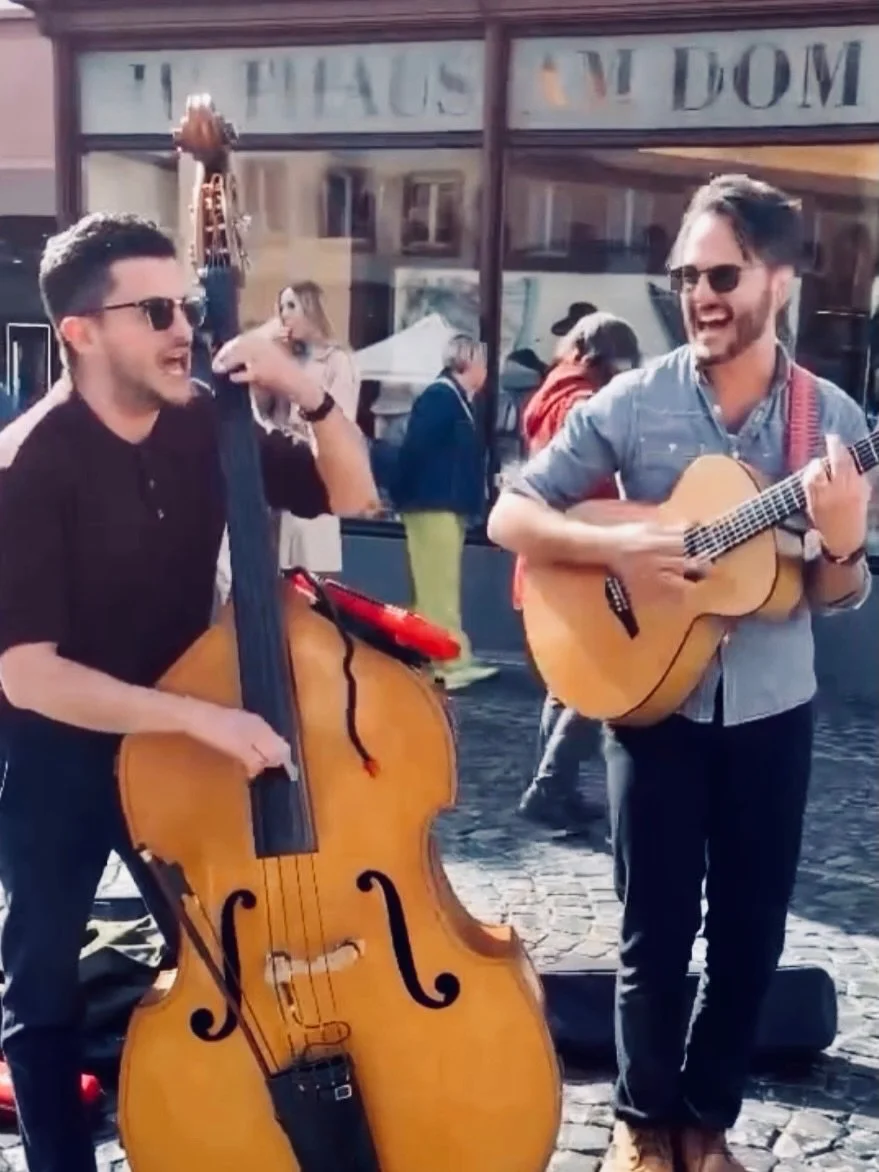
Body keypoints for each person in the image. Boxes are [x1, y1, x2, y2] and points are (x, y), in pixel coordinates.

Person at [487, 174, 872, 1172]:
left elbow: (837, 595)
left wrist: (841, 543)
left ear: (777, 280)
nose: (700, 293)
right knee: (653, 937)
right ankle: (640, 1122)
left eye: (722, 273)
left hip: (773, 714)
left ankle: (706, 1124)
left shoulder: (826, 422)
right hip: (649, 706)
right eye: (687, 275)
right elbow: (511, 513)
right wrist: (612, 549)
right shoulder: (635, 399)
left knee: (748, 936)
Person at [0, 212, 378, 1172]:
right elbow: (27, 671)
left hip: (188, 745)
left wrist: (310, 396)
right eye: (159, 309)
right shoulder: (29, 466)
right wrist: (200, 717)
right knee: (39, 982)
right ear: (81, 331)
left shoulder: (205, 421)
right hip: (62, 749)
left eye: (191, 305)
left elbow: (351, 495)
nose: (186, 328)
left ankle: (235, 1140)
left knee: (226, 962)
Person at [513, 311, 641, 833]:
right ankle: (548, 786)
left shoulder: (551, 394)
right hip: (576, 559)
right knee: (596, 676)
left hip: (549, 558)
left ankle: (556, 788)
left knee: (567, 680)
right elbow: (594, 488)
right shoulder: (584, 405)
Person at [392, 334, 498, 691]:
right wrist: (400, 493)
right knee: (439, 587)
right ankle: (448, 662)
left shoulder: (454, 398)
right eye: (482, 362)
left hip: (439, 505)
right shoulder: (440, 397)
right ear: (467, 363)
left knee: (434, 586)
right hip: (432, 504)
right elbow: (415, 450)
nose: (485, 371)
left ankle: (433, 657)